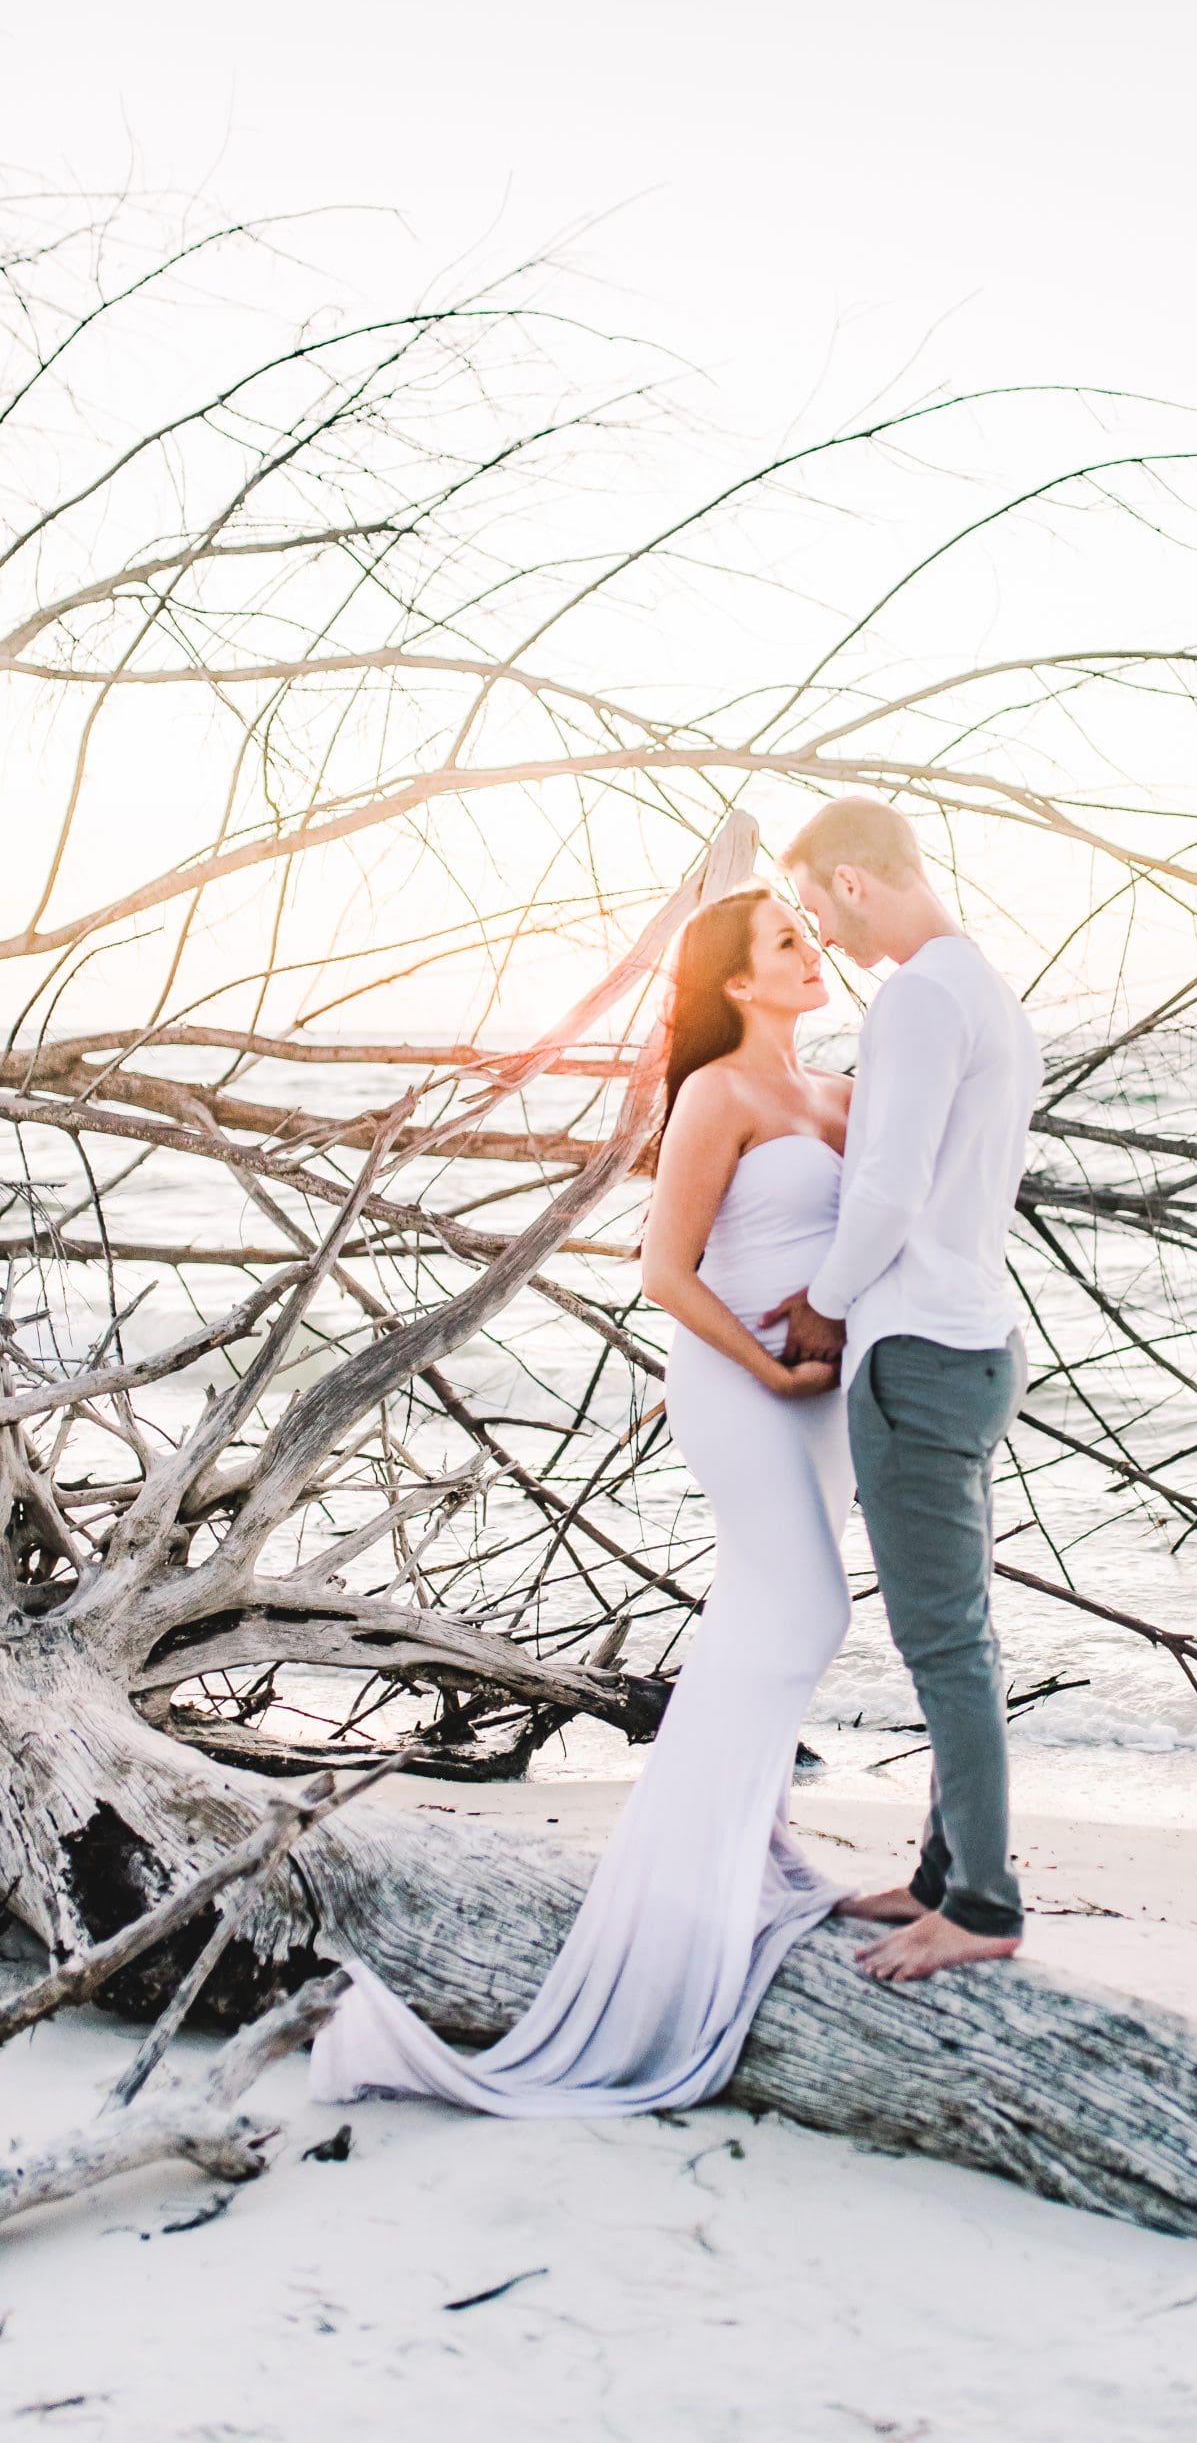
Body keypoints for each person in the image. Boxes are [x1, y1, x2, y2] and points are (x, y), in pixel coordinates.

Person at [309, 887, 857, 2113]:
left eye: (809, 937)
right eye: (785, 943)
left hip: (825, 1393)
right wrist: (767, 1365)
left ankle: (761, 1852)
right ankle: (693, 1883)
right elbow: (662, 1268)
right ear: (730, 981)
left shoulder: (840, 1092)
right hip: (739, 1379)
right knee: (803, 1612)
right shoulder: (717, 1094)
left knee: (763, 1620)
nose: (809, 953)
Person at [767, 795, 1043, 1983]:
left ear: (852, 881)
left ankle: (980, 1902)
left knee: (943, 1644)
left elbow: (884, 1189)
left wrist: (824, 1301)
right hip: (970, 1338)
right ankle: (939, 1873)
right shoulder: (981, 989)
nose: (821, 936)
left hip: (918, 1353)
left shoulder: (920, 996)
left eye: (817, 908)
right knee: (959, 1631)